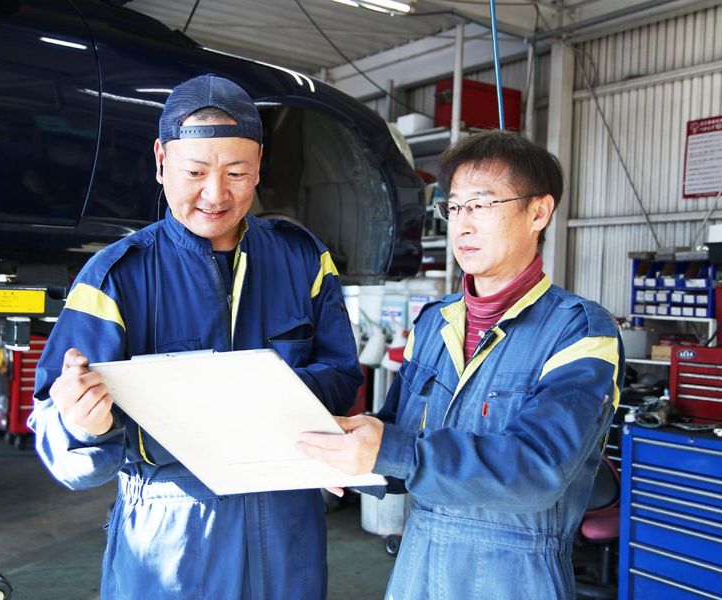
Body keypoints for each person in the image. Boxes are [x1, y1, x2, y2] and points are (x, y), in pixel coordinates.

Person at [30, 74, 362, 599]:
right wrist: (78, 427)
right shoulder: (116, 276)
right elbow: (58, 436)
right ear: (161, 160)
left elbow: (343, 375)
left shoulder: (303, 259)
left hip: (287, 526)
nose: (216, 194)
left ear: (259, 168)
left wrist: (251, 405)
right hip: (172, 535)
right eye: (195, 172)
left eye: (236, 173)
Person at [298, 130, 624, 600]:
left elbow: (539, 469)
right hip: (418, 565)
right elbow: (397, 438)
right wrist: (347, 455)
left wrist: (391, 450)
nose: (462, 225)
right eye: (453, 207)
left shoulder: (580, 331)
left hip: (516, 574)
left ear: (538, 212)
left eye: (482, 205)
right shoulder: (433, 324)